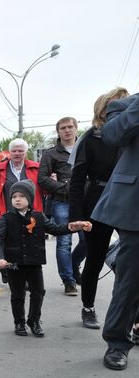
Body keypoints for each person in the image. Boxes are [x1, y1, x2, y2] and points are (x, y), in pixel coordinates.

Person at [0, 180, 91, 337]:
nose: (17, 199)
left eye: (21, 196)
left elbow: (54, 229)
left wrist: (71, 227)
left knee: (38, 292)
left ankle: (34, 320)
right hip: (14, 263)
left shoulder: (39, 217)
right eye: (14, 197)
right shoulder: (6, 218)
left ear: (30, 198)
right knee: (18, 294)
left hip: (34, 262)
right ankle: (19, 322)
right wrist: (0, 258)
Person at [69, 88, 130, 329]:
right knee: (94, 258)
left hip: (128, 202)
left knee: (131, 262)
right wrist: (75, 217)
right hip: (97, 203)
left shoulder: (132, 137)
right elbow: (76, 181)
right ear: (102, 111)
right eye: (114, 105)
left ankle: (132, 317)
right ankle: (88, 307)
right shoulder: (91, 139)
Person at [90, 93, 139, 371]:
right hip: (135, 206)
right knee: (131, 280)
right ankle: (117, 342)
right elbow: (112, 136)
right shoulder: (125, 105)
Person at [38, 118, 80, 296]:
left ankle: (73, 264)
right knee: (64, 241)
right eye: (63, 128)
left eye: (70, 127)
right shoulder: (51, 153)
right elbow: (42, 178)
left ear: (76, 129)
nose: (67, 130)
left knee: (89, 241)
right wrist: (63, 186)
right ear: (58, 132)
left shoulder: (85, 147)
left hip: (85, 201)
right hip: (61, 201)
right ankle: (68, 280)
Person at [0, 138, 44, 225]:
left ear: (25, 152)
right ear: (9, 152)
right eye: (14, 151)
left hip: (32, 216)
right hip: (6, 215)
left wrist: (51, 182)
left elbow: (44, 191)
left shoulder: (36, 168)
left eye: (20, 151)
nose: (17, 153)